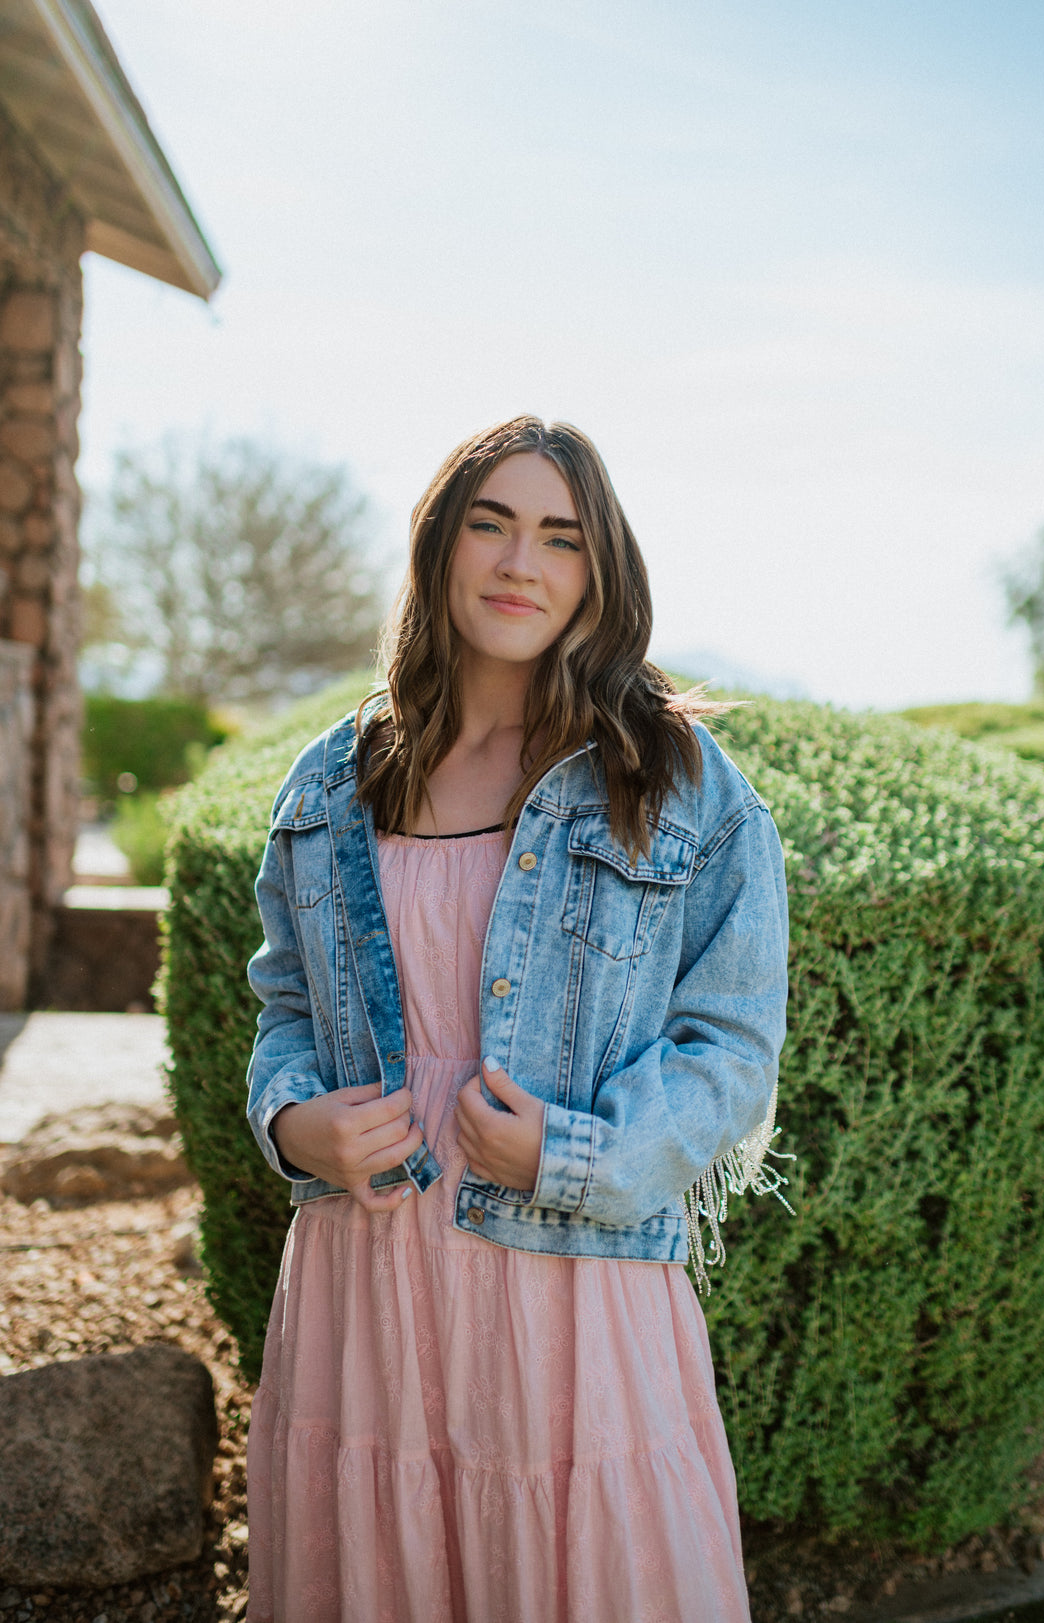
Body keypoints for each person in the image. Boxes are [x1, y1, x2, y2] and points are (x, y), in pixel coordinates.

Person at [243, 415, 789, 1623]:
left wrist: (573, 1155)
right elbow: (285, 1006)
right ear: (441, 546)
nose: (518, 565)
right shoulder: (332, 779)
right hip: (363, 1272)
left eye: (561, 537)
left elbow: (733, 1052)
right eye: (489, 524)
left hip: (572, 1280)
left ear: (601, 571)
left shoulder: (682, 782)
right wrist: (292, 1126)